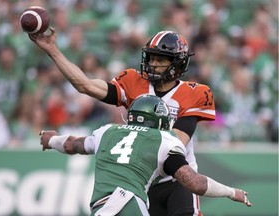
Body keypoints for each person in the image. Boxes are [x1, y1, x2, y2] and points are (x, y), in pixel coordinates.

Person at [29, 29, 216, 215]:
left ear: (177, 63)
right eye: (151, 58)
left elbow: (175, 143)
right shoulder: (133, 80)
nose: (152, 64)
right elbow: (85, 85)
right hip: (141, 182)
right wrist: (53, 50)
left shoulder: (196, 93)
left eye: (160, 60)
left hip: (177, 180)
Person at [39, 95, 252, 216]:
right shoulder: (164, 140)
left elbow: (72, 144)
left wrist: (50, 140)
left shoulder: (107, 131)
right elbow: (195, 183)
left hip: (101, 208)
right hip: (129, 203)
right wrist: (231, 192)